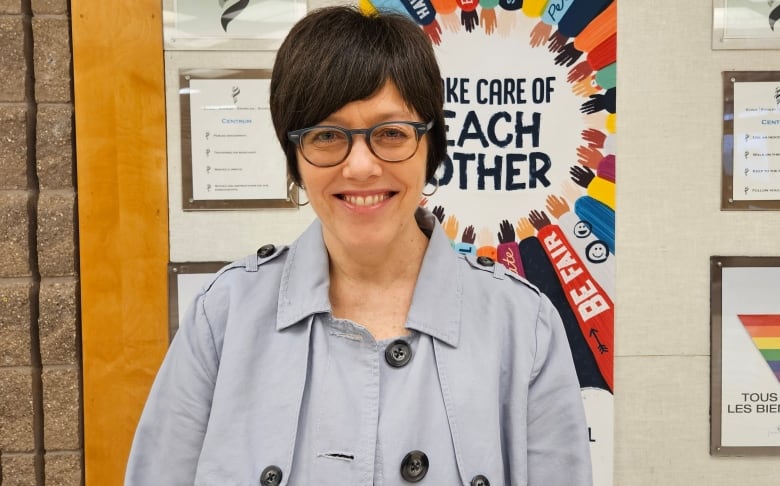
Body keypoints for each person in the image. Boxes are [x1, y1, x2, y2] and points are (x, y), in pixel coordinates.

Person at [125, 5, 592, 485]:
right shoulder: (222, 318)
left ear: (432, 147)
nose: (361, 167)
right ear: (295, 159)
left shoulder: (523, 327)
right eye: (327, 135)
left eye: (391, 133)